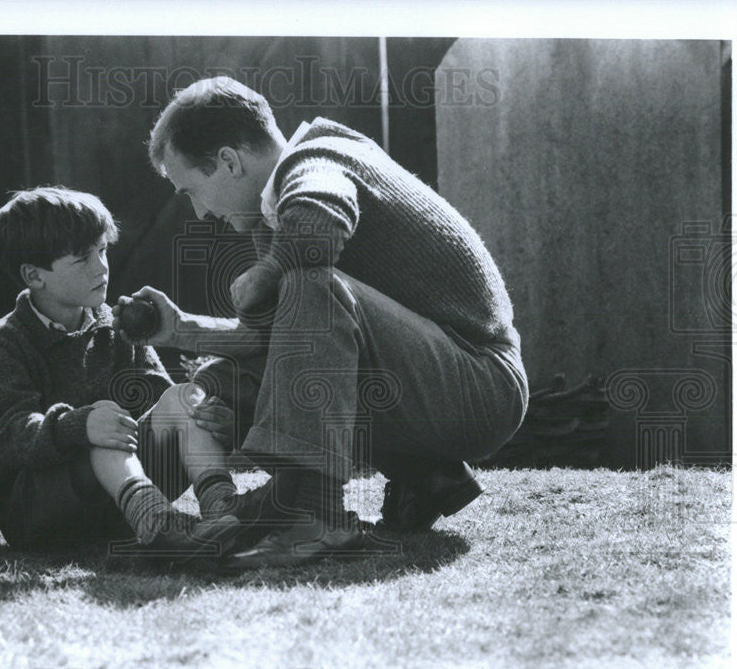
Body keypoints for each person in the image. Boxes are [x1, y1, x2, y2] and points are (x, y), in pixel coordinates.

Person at [115, 77, 529, 570]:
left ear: (229, 161)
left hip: (480, 384)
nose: (201, 211)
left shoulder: (315, 162)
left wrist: (267, 272)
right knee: (227, 372)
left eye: (193, 191)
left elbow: (319, 229)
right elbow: (273, 341)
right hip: (432, 383)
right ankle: (419, 474)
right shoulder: (274, 216)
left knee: (310, 280)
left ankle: (311, 513)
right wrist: (182, 329)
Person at [0, 186, 240, 556]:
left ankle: (224, 509)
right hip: (37, 503)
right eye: (82, 259)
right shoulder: (4, 342)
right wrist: (78, 425)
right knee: (103, 427)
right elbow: (10, 434)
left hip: (115, 494)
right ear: (34, 275)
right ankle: (160, 526)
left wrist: (205, 416)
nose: (101, 267)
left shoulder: (115, 324)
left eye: (103, 250)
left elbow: (159, 398)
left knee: (184, 396)